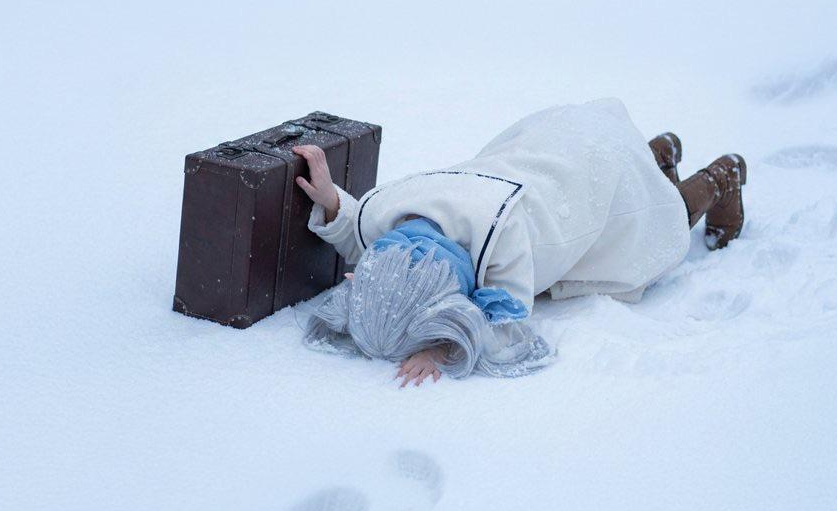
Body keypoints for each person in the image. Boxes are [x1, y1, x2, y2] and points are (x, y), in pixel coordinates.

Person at [291, 105, 746, 384]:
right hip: (559, 145)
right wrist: (332, 201)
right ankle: (654, 154)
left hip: (584, 189)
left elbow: (505, 320)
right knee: (625, 171)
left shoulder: (504, 243)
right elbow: (364, 247)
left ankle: (718, 179)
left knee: (654, 229)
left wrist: (441, 348)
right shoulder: (398, 227)